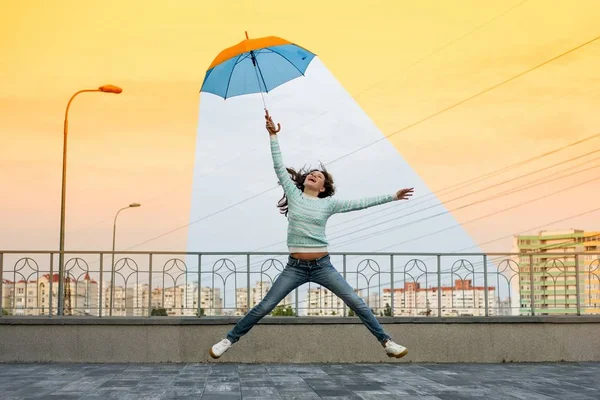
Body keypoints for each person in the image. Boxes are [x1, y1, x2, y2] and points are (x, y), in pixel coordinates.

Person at [210, 111, 414, 359]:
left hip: (322, 266)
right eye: (312, 173)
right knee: (264, 306)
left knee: (356, 303)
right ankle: (228, 340)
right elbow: (278, 166)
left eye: (319, 176)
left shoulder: (328, 205)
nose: (313, 175)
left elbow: (361, 203)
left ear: (323, 187)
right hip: (294, 267)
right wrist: (273, 136)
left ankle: (387, 343)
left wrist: (392, 196)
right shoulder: (294, 196)